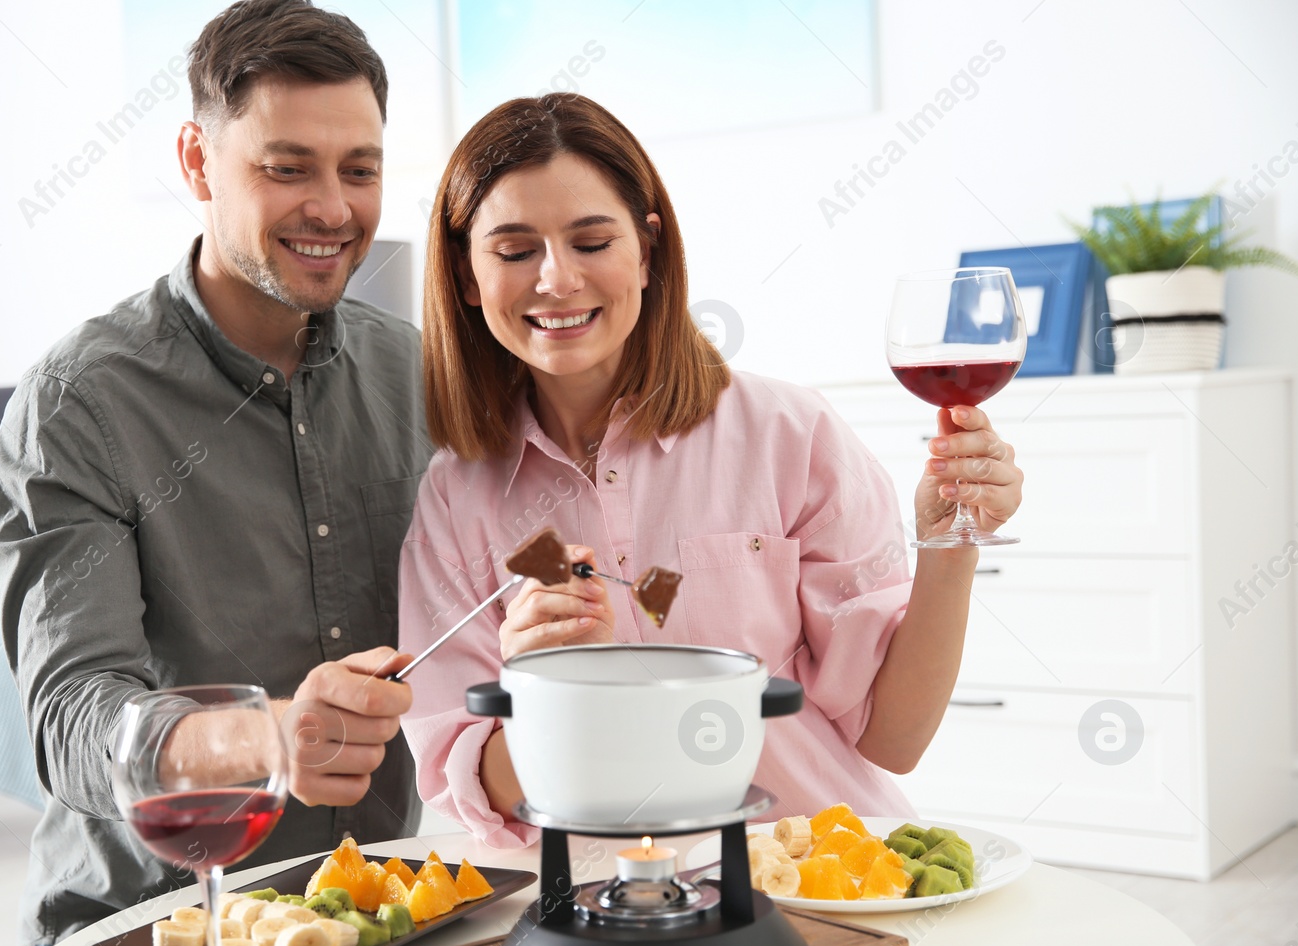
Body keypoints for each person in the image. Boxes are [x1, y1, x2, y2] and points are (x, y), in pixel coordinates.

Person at [397, 94, 1024, 847]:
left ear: (648, 248)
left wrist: (947, 542)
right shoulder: (455, 496)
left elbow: (894, 738)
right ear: (468, 275)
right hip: (598, 907)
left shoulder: (791, 434)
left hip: (819, 885)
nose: (556, 279)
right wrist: (551, 696)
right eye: (514, 250)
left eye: (592, 241)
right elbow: (467, 777)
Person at [0, 0, 429, 946]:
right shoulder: (77, 404)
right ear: (196, 162)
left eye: (361, 169)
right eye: (286, 167)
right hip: (142, 933)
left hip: (372, 917)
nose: (334, 208)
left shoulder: (419, 374)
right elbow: (71, 722)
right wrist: (271, 740)